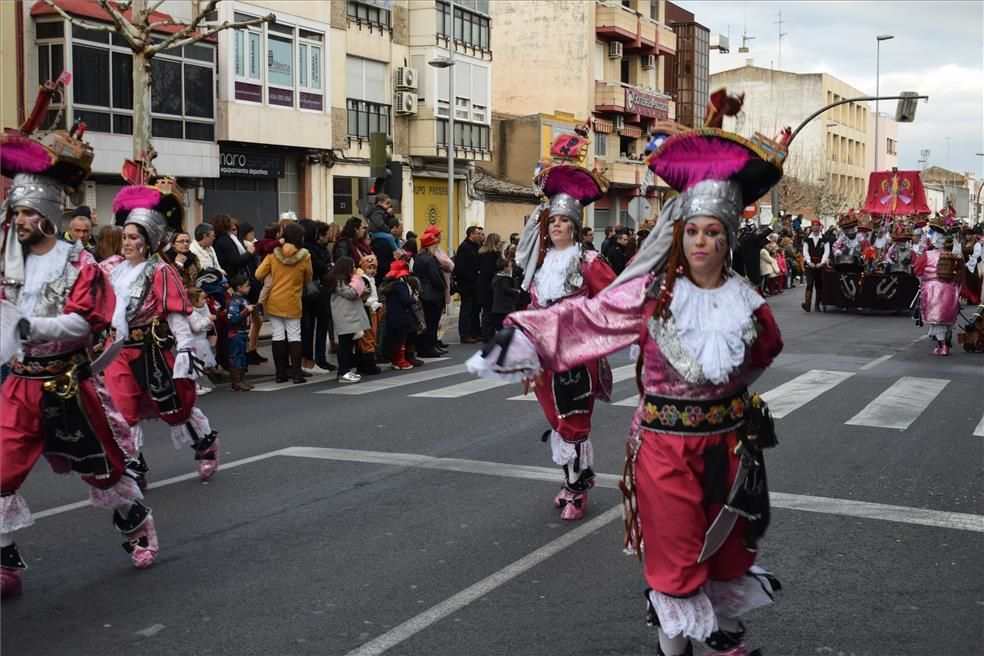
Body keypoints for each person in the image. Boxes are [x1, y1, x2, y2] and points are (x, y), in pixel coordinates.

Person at [470, 115, 788, 656]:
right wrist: (521, 342)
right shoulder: (650, 295)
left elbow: (764, 353)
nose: (702, 242)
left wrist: (734, 404)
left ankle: (713, 636)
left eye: (714, 231)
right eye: (692, 231)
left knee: (725, 553)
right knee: (676, 557)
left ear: (730, 237)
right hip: (664, 447)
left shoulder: (749, 303)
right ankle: (683, 644)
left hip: (729, 448)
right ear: (678, 235)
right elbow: (589, 319)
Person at [0, 129, 155, 596]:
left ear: (48, 216)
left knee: (104, 468)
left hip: (67, 384)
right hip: (20, 382)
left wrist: (31, 328)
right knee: (0, 470)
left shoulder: (80, 263)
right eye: (16, 212)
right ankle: (6, 566)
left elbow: (85, 323)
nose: (19, 220)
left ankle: (136, 525)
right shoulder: (8, 262)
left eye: (28, 212)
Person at [507, 161, 617, 521]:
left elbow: (616, 300)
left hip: (576, 355)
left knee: (573, 422)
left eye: (564, 221)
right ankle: (577, 476)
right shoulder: (539, 266)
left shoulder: (589, 262)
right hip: (543, 356)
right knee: (557, 421)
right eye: (552, 221)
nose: (557, 227)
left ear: (576, 227)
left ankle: (575, 489)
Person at [102, 181, 221, 487]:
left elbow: (176, 312)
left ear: (148, 240)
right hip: (118, 351)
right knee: (119, 411)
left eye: (133, 237)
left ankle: (205, 444)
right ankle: (133, 465)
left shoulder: (160, 270)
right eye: (124, 237)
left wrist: (184, 350)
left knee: (175, 407)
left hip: (153, 349)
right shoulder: (111, 268)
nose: (126, 243)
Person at [255, 223, 313, 384]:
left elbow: (258, 274)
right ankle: (296, 374)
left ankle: (280, 374)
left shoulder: (273, 254)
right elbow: (308, 278)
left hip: (274, 300)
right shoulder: (305, 256)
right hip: (293, 300)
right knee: (294, 335)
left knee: (278, 335)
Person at [914, 218, 963, 356]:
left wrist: (923, 281)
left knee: (937, 319)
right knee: (947, 317)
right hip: (951, 289)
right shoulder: (954, 256)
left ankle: (942, 346)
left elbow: (917, 270)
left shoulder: (927, 255)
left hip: (933, 289)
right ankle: (946, 340)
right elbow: (960, 274)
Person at [300, 219, 335, 375]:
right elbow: (319, 266)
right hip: (313, 290)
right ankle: (309, 360)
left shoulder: (318, 248)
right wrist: (329, 267)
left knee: (320, 325)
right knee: (309, 328)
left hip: (321, 290)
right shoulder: (308, 249)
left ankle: (318, 358)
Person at [325, 257, 368, 383]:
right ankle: (343, 372)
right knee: (344, 345)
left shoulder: (342, 280)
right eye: (352, 266)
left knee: (348, 345)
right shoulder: (338, 281)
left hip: (349, 316)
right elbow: (351, 293)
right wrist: (359, 286)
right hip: (344, 316)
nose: (354, 269)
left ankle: (344, 371)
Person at [414, 231, 449, 357]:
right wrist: (444, 287)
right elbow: (435, 277)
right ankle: (429, 347)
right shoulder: (430, 259)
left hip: (423, 293)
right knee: (432, 322)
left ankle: (430, 346)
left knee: (427, 322)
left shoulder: (418, 257)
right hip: (432, 294)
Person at [379, 259, 418, 370]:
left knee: (395, 340)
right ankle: (400, 361)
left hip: (392, 316)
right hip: (402, 316)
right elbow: (406, 301)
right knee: (400, 340)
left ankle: (395, 360)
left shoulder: (389, 284)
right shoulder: (400, 285)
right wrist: (414, 299)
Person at [453, 226, 484, 343]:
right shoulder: (464, 247)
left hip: (475, 285)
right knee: (466, 310)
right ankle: (464, 334)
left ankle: (474, 332)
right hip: (467, 285)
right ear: (471, 234)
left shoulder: (475, 246)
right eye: (477, 233)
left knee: (474, 310)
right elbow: (459, 268)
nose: (480, 235)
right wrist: (471, 277)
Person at [186, 286, 217, 396]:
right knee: (196, 365)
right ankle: (196, 386)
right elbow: (195, 328)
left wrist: (207, 326)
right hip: (196, 343)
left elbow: (201, 326)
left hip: (201, 340)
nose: (205, 301)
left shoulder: (201, 310)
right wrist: (208, 320)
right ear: (194, 300)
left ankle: (203, 384)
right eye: (203, 299)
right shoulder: (191, 313)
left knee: (202, 365)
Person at [225, 274, 255, 390]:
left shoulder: (243, 299)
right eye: (247, 286)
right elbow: (233, 318)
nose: (249, 288)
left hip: (243, 333)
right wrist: (246, 311)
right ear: (238, 287)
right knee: (236, 356)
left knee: (242, 356)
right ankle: (236, 381)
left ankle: (241, 379)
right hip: (236, 333)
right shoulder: (235, 301)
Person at [356, 254, 383, 375]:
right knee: (368, 337)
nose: (372, 271)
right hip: (369, 311)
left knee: (370, 336)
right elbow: (364, 299)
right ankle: (369, 366)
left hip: (373, 310)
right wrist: (376, 304)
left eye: (374, 268)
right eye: (369, 268)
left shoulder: (371, 280)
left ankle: (362, 365)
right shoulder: (364, 280)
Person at [211, 214, 256, 281]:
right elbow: (235, 261)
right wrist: (249, 252)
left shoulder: (216, 239)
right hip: (230, 277)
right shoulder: (225, 240)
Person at [476, 232, 503, 340]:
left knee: (488, 310)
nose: (500, 243)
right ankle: (487, 334)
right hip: (488, 286)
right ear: (495, 242)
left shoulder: (484, 252)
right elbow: (488, 270)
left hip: (485, 284)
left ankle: (488, 333)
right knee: (488, 310)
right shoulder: (490, 254)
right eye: (499, 241)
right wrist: (498, 274)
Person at [801, 219, 829, 312]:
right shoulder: (807, 239)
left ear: (820, 226)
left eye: (817, 225)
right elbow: (805, 251)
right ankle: (807, 304)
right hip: (810, 264)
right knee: (809, 283)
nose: (815, 227)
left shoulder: (825, 238)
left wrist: (822, 262)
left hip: (820, 264)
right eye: (813, 225)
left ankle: (817, 305)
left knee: (819, 285)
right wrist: (809, 262)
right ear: (811, 227)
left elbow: (826, 252)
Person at [490, 256, 519, 331]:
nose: (510, 269)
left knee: (499, 327)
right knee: (506, 326)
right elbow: (506, 289)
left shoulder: (496, 277)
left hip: (497, 307)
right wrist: (516, 291)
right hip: (505, 308)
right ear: (505, 268)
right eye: (509, 267)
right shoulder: (504, 279)